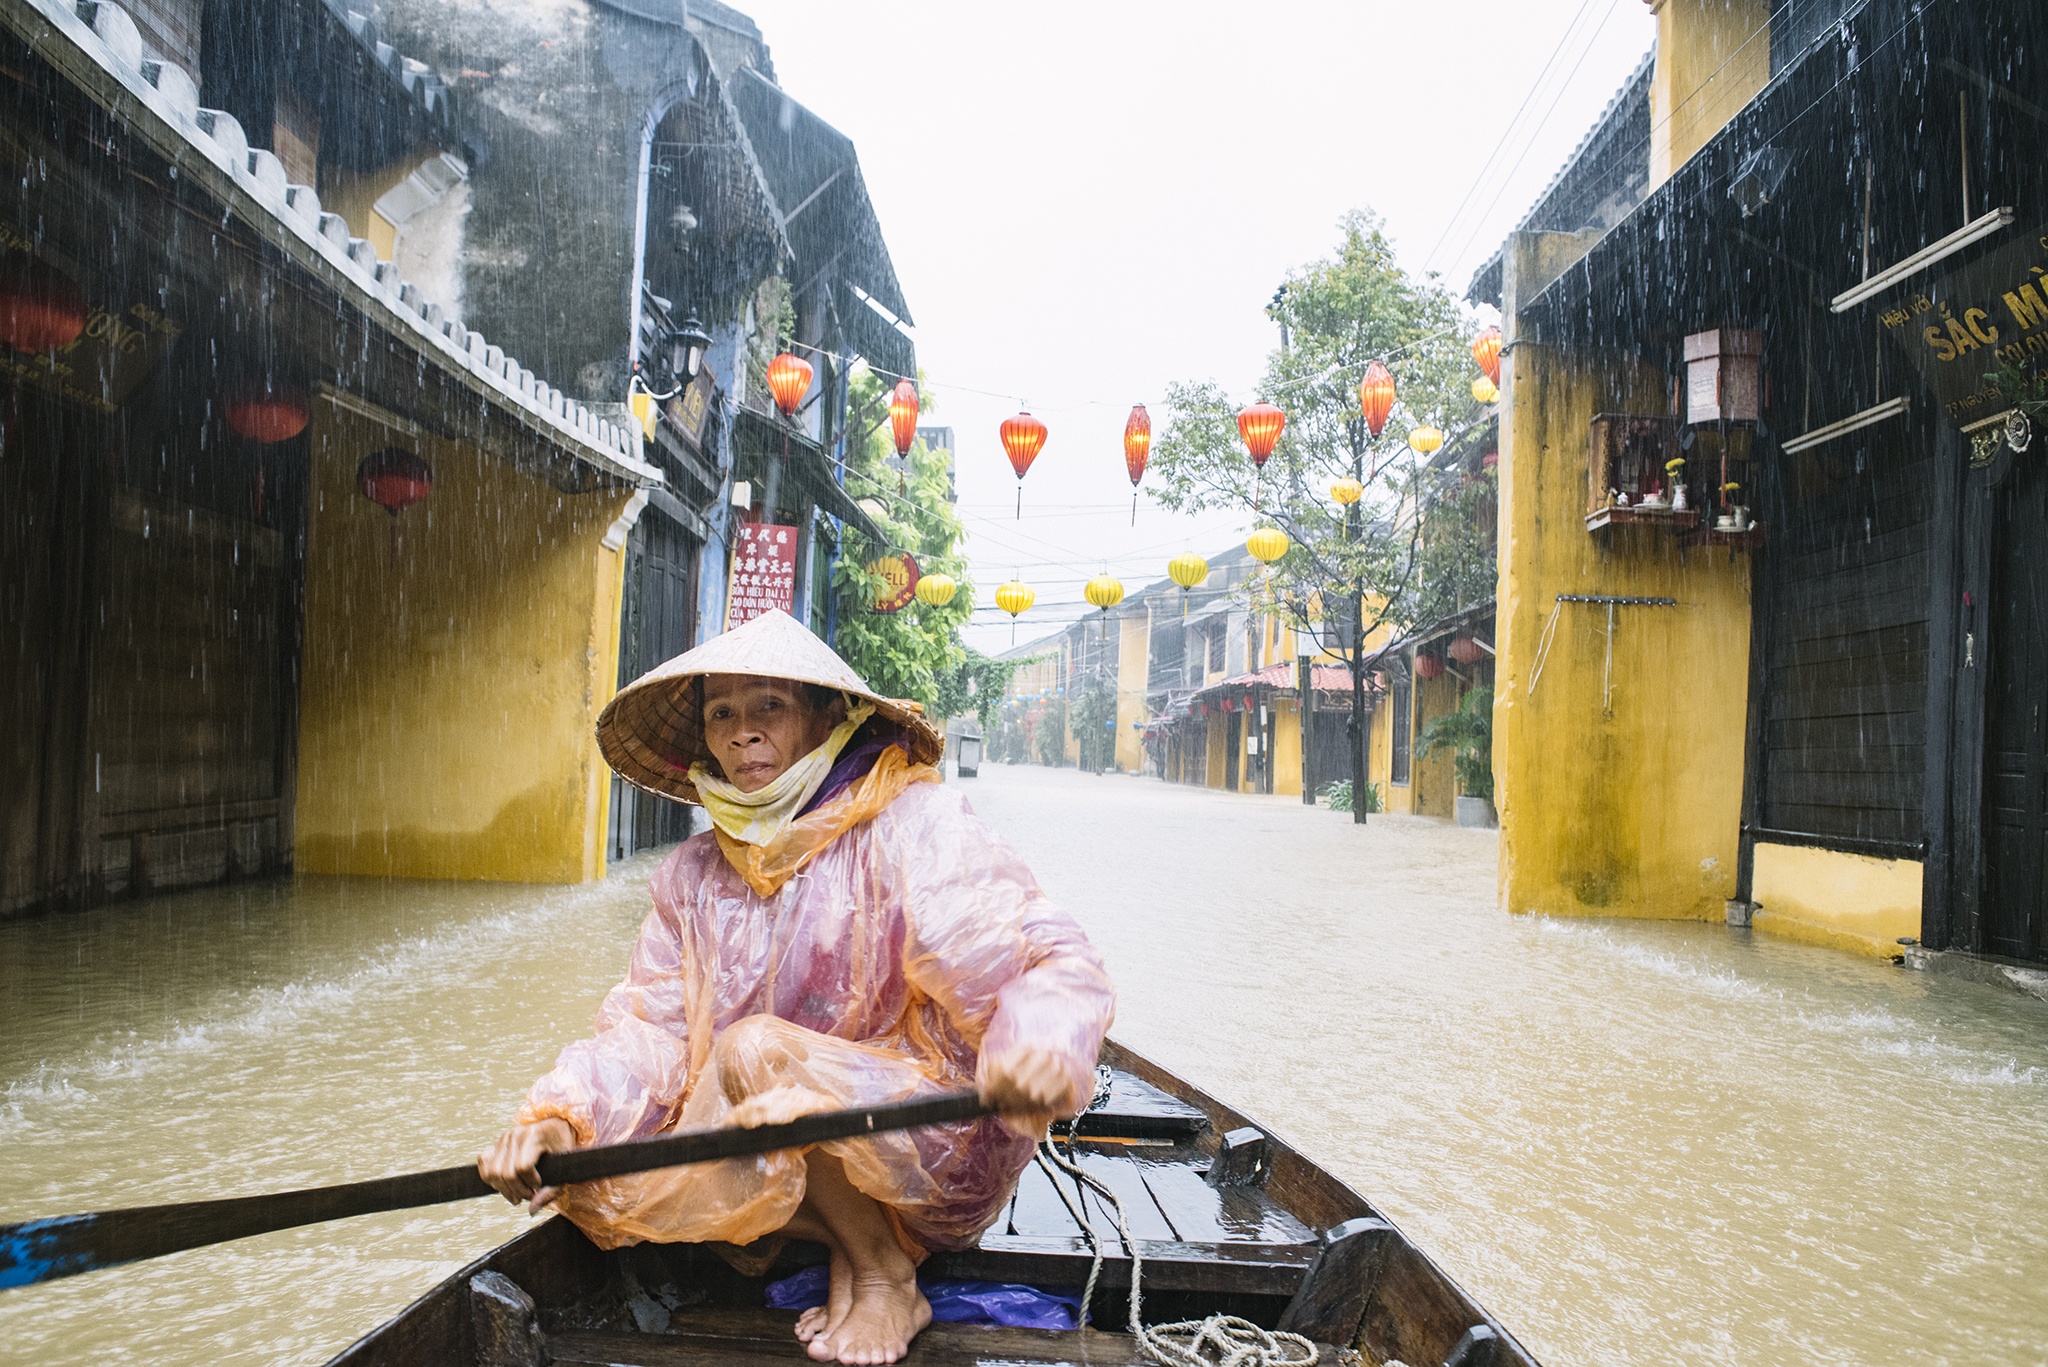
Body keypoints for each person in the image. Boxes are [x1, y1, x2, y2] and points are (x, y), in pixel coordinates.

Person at [478, 610, 1115, 1366]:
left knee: (756, 1052)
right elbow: (648, 1031)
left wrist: (1037, 1047)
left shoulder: (912, 822)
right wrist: (557, 1120)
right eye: (723, 714)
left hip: (928, 1144)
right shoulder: (691, 876)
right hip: (771, 1139)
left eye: (768, 708)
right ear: (705, 739)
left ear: (824, 719)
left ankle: (884, 1270)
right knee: (585, 1178)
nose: (743, 733)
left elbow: (1047, 956)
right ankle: (850, 1243)